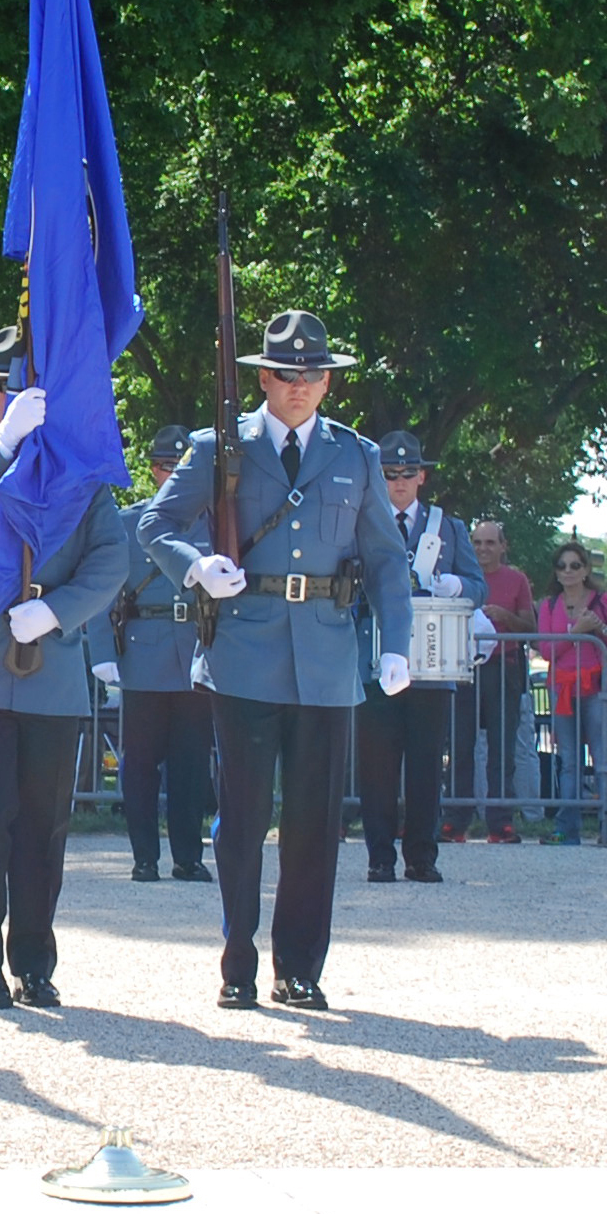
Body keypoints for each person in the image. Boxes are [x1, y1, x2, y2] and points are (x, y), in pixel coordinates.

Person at [140, 310, 411, 1012]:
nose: (302, 386)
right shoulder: (220, 447)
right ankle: (239, 961)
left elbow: (384, 558)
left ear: (328, 383)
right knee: (242, 813)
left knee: (315, 822)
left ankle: (299, 965)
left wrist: (396, 643)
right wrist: (196, 566)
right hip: (245, 650)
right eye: (288, 374)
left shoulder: (355, 455)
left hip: (325, 654)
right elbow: (154, 524)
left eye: (314, 374)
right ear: (264, 377)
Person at [0, 327, 126, 1011]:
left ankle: (34, 961)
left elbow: (110, 563)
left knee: (44, 823)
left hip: (53, 670)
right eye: (13, 390)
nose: (27, 401)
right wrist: (6, 441)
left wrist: (60, 611)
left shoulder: (85, 473)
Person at [353, 431, 482, 881]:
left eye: (408, 473)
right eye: (390, 474)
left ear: (422, 477)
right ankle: (379, 856)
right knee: (376, 766)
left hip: (432, 662)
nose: (400, 482)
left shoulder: (447, 526)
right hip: (376, 660)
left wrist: (456, 586)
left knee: (427, 766)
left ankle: (422, 856)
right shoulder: (362, 521)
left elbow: (477, 583)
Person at [89, 425, 214, 883]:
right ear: (153, 471)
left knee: (191, 763)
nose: (171, 475)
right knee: (139, 764)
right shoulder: (129, 523)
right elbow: (102, 590)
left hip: (198, 651)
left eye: (181, 468)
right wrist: (102, 652)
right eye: (165, 467)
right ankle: (144, 856)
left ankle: (188, 856)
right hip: (143, 651)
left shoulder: (217, 525)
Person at [534, 541, 607, 844]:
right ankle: (567, 827)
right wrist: (576, 632)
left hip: (597, 686)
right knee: (568, 759)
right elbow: (546, 650)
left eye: (575, 565)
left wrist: (599, 629)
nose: (568, 571)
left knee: (604, 757)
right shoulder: (549, 605)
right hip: (562, 688)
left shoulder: (603, 601)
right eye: (562, 566)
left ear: (586, 569)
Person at [451, 520, 538, 842]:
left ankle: (500, 821)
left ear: (503, 546)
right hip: (464, 668)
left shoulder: (516, 580)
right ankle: (455, 820)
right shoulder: (461, 578)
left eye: (490, 543)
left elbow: (530, 627)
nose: (482, 549)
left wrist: (506, 617)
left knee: (502, 747)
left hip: (504, 667)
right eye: (476, 542)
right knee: (460, 745)